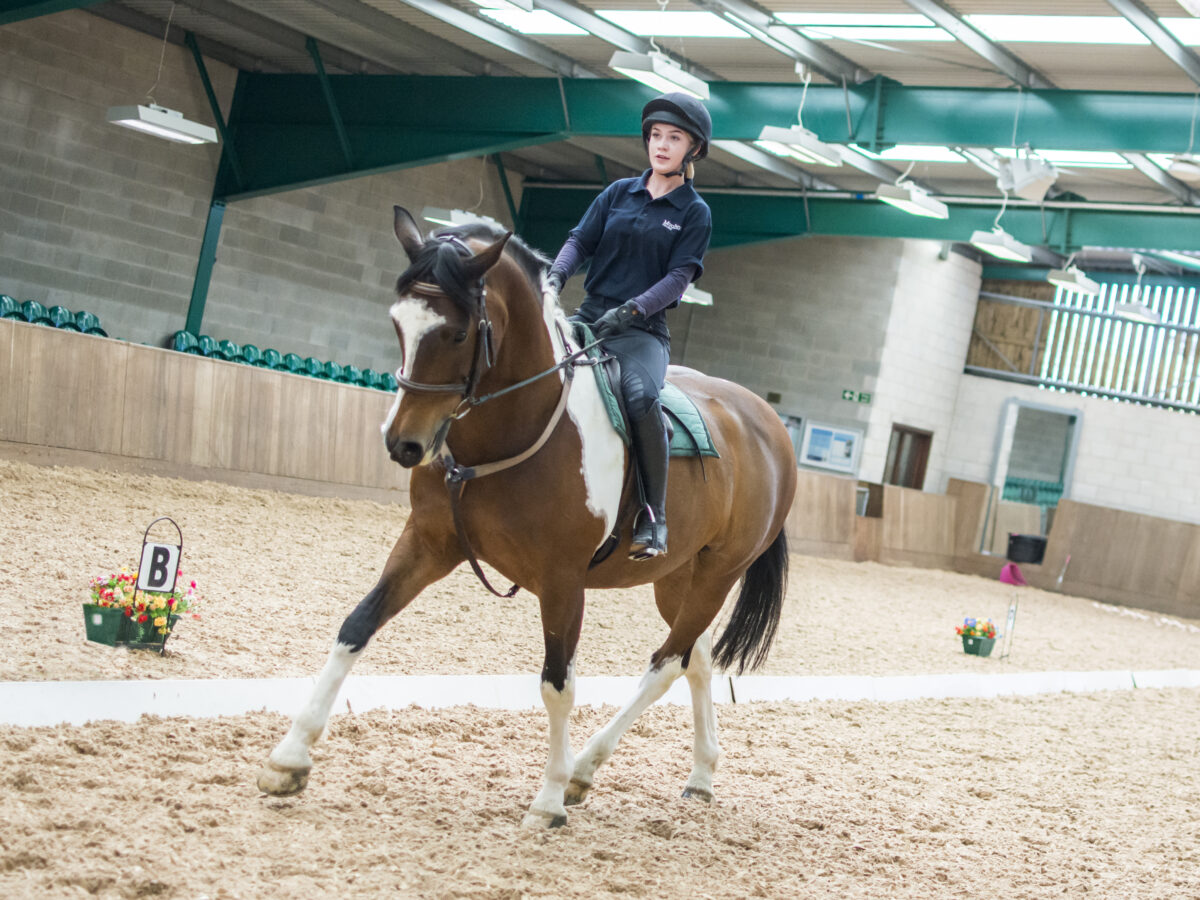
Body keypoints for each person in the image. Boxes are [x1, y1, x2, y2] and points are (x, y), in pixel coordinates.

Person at [546, 92, 713, 561]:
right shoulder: (618, 193)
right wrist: (557, 275)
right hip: (591, 315)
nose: (661, 146)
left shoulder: (693, 213)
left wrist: (634, 310)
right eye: (656, 136)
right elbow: (580, 239)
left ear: (692, 149)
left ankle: (652, 516)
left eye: (674, 138)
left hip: (641, 332)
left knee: (641, 397)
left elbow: (679, 278)